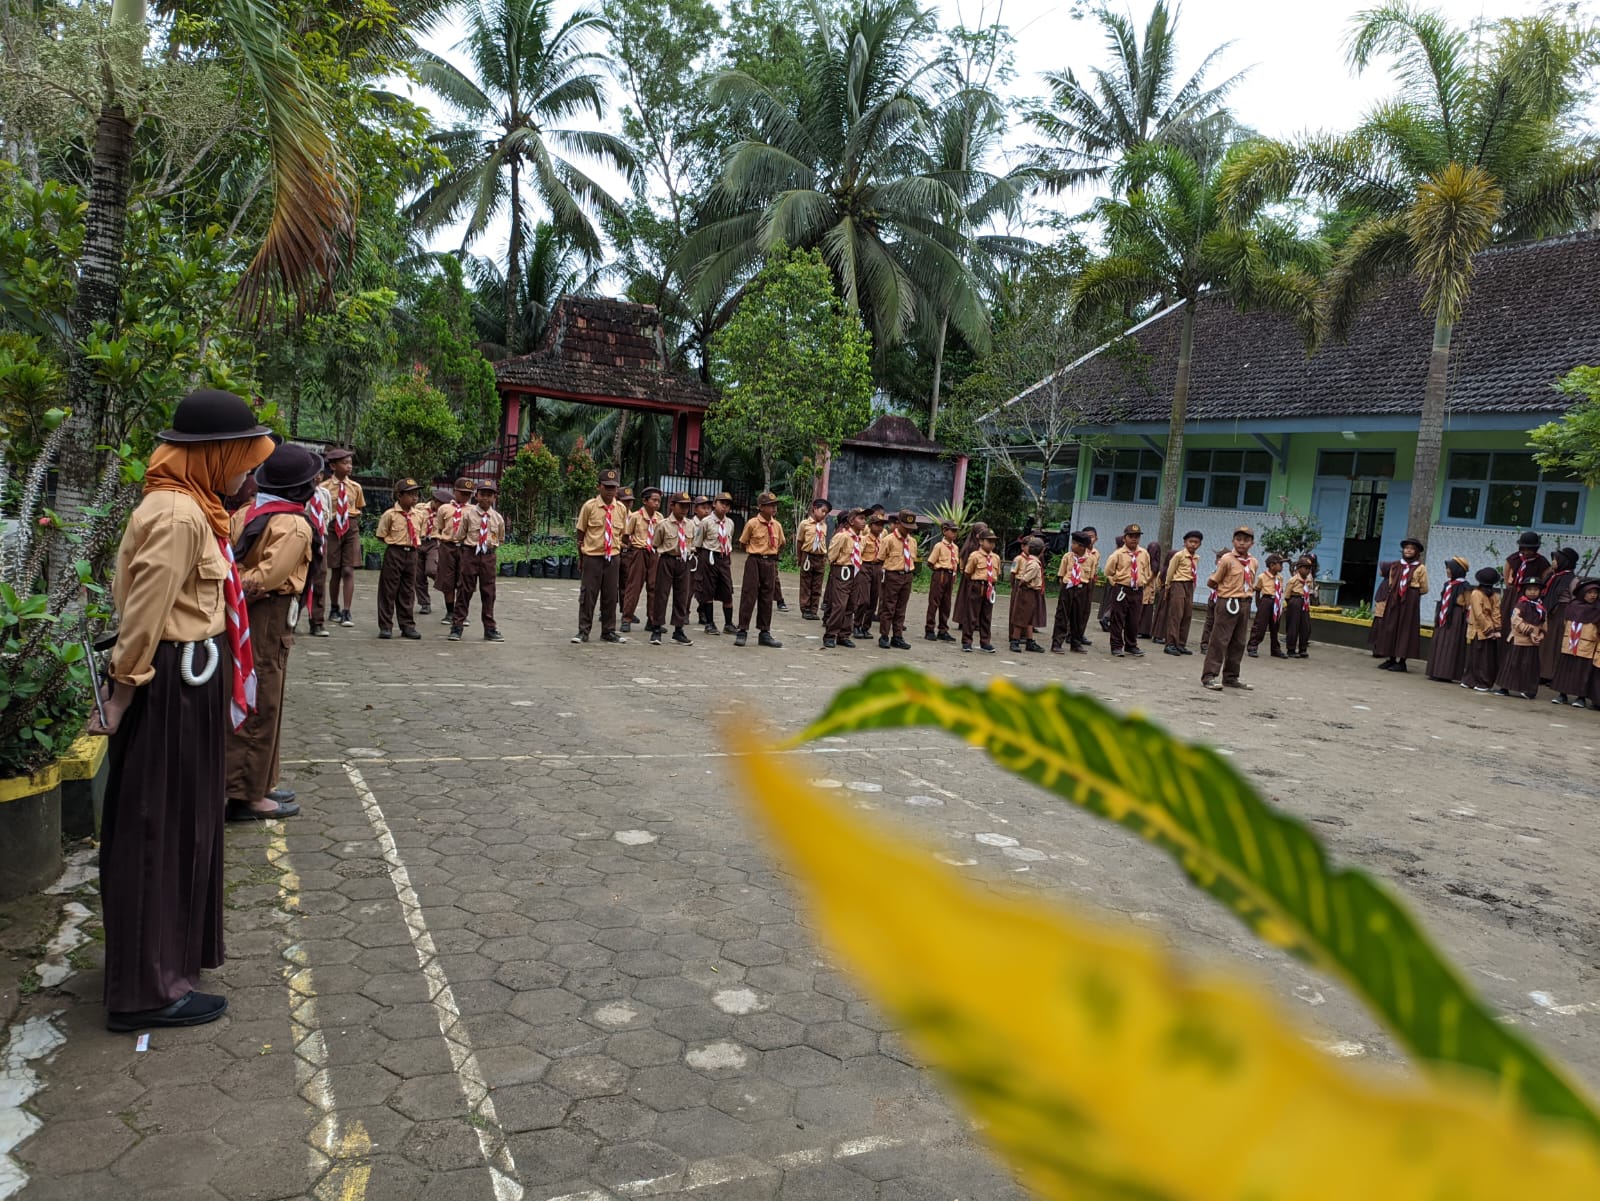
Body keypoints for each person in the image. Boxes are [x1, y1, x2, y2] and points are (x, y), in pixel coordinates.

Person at [90, 389, 274, 1031]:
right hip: (167, 685)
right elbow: (143, 615)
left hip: (186, 684)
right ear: (212, 454)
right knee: (156, 830)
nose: (246, 473)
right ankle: (145, 991)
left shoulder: (195, 507)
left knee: (179, 825)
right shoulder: (177, 515)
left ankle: (167, 962)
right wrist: (120, 694)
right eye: (240, 458)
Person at [225, 443, 319, 821]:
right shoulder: (294, 525)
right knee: (262, 697)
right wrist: (236, 587)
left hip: (244, 614)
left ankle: (260, 780)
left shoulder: (250, 511)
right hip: (267, 614)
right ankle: (246, 793)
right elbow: (268, 578)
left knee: (256, 692)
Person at [573, 468, 628, 643]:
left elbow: (623, 534)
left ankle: (608, 631)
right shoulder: (590, 506)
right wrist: (581, 557)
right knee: (588, 595)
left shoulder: (620, 508)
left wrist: (618, 549)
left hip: (613, 556)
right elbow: (581, 533)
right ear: (599, 487)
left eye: (614, 487)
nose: (611, 490)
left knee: (611, 595)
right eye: (607, 487)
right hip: (593, 556)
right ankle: (583, 631)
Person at [1201, 526, 1257, 691]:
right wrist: (1225, 595)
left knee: (1239, 642)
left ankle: (1231, 677)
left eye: (1246, 540)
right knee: (1220, 640)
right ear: (1233, 541)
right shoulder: (1226, 559)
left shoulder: (1253, 561)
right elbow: (1213, 581)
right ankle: (1209, 676)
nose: (1242, 543)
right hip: (1228, 602)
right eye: (1238, 539)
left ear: (1252, 543)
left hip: (1245, 603)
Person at [451, 481, 506, 642]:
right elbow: (460, 535)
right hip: (470, 554)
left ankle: (489, 628)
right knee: (464, 590)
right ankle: (457, 627)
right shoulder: (468, 515)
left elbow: (500, 539)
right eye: (483, 494)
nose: (485, 499)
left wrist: (489, 548)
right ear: (477, 496)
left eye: (489, 495)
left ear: (494, 498)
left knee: (489, 593)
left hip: (488, 556)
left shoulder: (497, 518)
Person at [375, 479, 425, 641]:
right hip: (395, 552)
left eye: (416, 494)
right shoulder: (390, 515)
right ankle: (386, 626)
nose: (414, 498)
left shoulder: (419, 515)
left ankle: (407, 625)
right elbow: (382, 535)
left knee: (408, 591)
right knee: (388, 590)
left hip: (412, 554)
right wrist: (395, 546)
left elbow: (421, 534)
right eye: (410, 494)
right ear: (399, 495)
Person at [320, 448, 364, 628]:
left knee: (348, 569)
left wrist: (349, 522)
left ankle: (347, 610)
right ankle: (334, 607)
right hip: (331, 527)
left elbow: (359, 507)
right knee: (336, 570)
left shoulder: (355, 487)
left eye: (350, 463)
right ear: (333, 466)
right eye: (345, 463)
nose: (349, 467)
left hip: (350, 527)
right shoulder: (323, 488)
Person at [735, 491, 785, 647]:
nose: (774, 508)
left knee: (767, 597)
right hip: (754, 561)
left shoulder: (777, 525)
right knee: (749, 595)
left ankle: (764, 632)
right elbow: (743, 542)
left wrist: (771, 556)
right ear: (761, 507)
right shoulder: (752, 523)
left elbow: (781, 543)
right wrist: (756, 551)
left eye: (775, 505)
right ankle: (742, 630)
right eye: (770, 506)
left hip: (770, 562)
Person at [1373, 537, 1429, 672]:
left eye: (1412, 549)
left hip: (1410, 601)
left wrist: (1411, 594)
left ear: (1416, 552)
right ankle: (1391, 658)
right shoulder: (1396, 565)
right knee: (1391, 626)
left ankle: (1402, 661)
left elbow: (1424, 588)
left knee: (1406, 629)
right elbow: (1391, 582)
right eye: (1406, 548)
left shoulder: (1420, 568)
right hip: (1394, 599)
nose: (1408, 551)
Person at [650, 491, 696, 645]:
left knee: (682, 595)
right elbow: (655, 544)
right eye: (681, 506)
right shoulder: (663, 524)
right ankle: (656, 628)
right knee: (661, 594)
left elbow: (692, 544)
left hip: (684, 561)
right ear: (672, 506)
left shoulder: (690, 525)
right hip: (667, 560)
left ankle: (678, 629)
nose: (684, 509)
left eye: (687, 506)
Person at [1102, 524, 1150, 657]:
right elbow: (1108, 572)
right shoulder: (1117, 554)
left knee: (1134, 619)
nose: (1134, 539)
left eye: (1137, 536)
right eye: (1131, 536)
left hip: (1137, 590)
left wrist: (1143, 581)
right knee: (1118, 618)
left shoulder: (1144, 553)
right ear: (1124, 538)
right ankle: (1116, 646)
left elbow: (1146, 570)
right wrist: (1115, 582)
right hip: (1122, 589)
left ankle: (1131, 645)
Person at [1550, 578, 1599, 708]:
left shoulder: (1597, 610)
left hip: (1586, 647)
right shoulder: (1571, 606)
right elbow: (1565, 623)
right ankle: (1562, 695)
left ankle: (1581, 697)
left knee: (1583, 673)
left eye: (1595, 592)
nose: (1593, 595)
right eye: (1590, 592)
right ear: (1582, 592)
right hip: (1569, 645)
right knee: (1565, 670)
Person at [1494, 578, 1546, 698]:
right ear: (1524, 590)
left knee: (1530, 666)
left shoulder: (1541, 608)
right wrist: (1530, 632)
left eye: (1536, 589)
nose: (1532, 592)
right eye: (1529, 589)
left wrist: (1541, 635)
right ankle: (1504, 687)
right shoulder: (1520, 605)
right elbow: (1516, 621)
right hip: (1519, 639)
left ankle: (1528, 690)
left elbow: (1544, 624)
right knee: (1512, 663)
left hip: (1533, 642)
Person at [823, 508, 867, 649]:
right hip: (842, 570)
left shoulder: (860, 538)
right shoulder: (842, 536)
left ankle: (844, 635)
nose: (864, 522)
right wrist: (837, 570)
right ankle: (830, 634)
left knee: (851, 605)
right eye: (860, 518)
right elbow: (832, 555)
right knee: (840, 605)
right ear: (851, 520)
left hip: (855, 571)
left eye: (864, 519)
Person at [433, 477, 475, 622]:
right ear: (454, 492)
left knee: (464, 581)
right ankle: (450, 612)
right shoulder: (444, 509)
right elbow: (438, 528)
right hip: (448, 547)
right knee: (447, 581)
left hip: (465, 548)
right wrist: (440, 542)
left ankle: (461, 613)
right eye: (462, 493)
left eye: (468, 494)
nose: (465, 497)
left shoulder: (474, 510)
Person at [1424, 557, 1472, 682]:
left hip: (1455, 617)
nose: (1447, 571)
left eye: (1449, 568)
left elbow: (1468, 604)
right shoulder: (1448, 584)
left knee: (1451, 643)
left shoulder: (1464, 586)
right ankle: (1435, 670)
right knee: (1440, 641)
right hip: (1443, 616)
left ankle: (1446, 673)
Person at [877, 509, 919, 650]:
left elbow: (912, 558)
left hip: (907, 576)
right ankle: (884, 636)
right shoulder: (888, 540)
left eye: (910, 528)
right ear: (898, 524)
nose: (908, 530)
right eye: (905, 527)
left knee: (901, 608)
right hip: (892, 576)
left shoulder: (912, 541)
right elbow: (880, 558)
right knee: (888, 606)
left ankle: (897, 636)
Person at [623, 487, 662, 635]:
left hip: (654, 553)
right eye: (654, 500)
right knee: (634, 586)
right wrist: (632, 548)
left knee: (653, 587)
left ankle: (652, 620)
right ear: (645, 501)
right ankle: (627, 619)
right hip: (639, 552)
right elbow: (626, 535)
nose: (657, 503)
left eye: (658, 500)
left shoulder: (659, 517)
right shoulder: (635, 516)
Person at [698, 492, 738, 635]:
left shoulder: (730, 523)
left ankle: (728, 623)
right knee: (708, 590)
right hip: (709, 556)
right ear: (714, 504)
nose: (724, 507)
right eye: (722, 503)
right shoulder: (706, 522)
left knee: (727, 590)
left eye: (727, 505)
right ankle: (709, 623)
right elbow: (699, 542)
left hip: (724, 557)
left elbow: (729, 540)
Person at [1051, 530, 1096, 654]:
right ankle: (1057, 643)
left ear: (1082, 546)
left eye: (1075, 543)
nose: (1072, 545)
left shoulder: (1091, 559)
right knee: (1062, 615)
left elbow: (1091, 577)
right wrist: (1065, 587)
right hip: (1068, 587)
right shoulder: (1067, 557)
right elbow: (1061, 575)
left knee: (1079, 617)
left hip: (1082, 588)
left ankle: (1076, 643)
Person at [1539, 547, 1579, 683]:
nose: (1553, 563)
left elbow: (1576, 597)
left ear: (1563, 562)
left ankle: (1553, 675)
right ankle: (1542, 672)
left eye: (1555, 560)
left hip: (1562, 612)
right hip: (1548, 612)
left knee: (1556, 642)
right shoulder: (1553, 575)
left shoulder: (1572, 579)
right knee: (1545, 642)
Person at [1460, 568, 1503, 692]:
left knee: (1480, 657)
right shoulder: (1491, 595)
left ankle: (1478, 681)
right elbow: (1492, 614)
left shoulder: (1477, 593)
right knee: (1482, 657)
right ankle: (1474, 681)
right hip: (1483, 630)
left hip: (1482, 630)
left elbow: (1482, 614)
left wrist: (1492, 629)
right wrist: (1494, 629)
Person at [1502, 530, 1550, 641]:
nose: (1527, 552)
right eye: (1524, 549)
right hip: (1513, 593)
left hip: (1530, 595)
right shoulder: (1514, 558)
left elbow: (1544, 579)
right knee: (1507, 619)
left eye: (1530, 549)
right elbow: (1507, 571)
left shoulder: (1542, 562)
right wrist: (1509, 588)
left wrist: (1535, 593)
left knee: (1525, 619)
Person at [1162, 531, 1203, 657]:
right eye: (1190, 542)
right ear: (1185, 542)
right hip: (1178, 584)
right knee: (1176, 614)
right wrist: (1168, 586)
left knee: (1187, 614)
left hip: (1189, 585)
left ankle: (1181, 643)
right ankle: (1170, 644)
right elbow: (1170, 571)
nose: (1193, 545)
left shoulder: (1196, 557)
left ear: (1200, 544)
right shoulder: (1179, 556)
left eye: (1196, 542)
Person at [960, 529, 1001, 654]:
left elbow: (997, 573)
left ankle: (985, 642)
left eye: (994, 542)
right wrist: (974, 585)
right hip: (977, 586)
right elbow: (968, 572)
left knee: (986, 616)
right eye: (989, 541)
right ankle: (967, 641)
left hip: (990, 587)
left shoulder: (996, 557)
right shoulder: (975, 556)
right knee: (971, 615)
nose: (992, 544)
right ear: (981, 541)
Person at [1008, 536, 1047, 653]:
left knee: (1030, 617)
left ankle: (1029, 640)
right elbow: (1022, 577)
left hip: (1032, 591)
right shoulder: (1031, 563)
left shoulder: (1032, 561)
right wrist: (1019, 585)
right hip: (1026, 591)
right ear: (1041, 551)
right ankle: (1015, 640)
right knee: (1021, 616)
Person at [304, 466, 330, 637]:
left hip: (321, 539)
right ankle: (291, 619)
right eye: (314, 473)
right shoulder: (300, 493)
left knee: (320, 580)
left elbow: (329, 516)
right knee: (300, 581)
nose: (318, 477)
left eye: (321, 473)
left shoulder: (325, 494)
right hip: (304, 540)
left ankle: (317, 622)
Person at [923, 521, 961, 642]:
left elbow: (956, 563)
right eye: (952, 531)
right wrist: (938, 572)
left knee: (946, 604)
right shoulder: (939, 546)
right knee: (934, 602)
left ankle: (943, 630)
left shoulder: (955, 547)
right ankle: (929, 629)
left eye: (956, 531)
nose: (955, 533)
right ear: (944, 531)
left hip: (950, 575)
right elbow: (930, 562)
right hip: (940, 574)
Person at [1246, 554, 1287, 659]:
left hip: (1276, 602)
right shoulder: (1262, 576)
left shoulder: (1280, 578)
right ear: (1272, 565)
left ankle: (1275, 649)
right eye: (1280, 564)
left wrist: (1281, 604)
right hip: (1266, 601)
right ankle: (1252, 647)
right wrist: (1259, 603)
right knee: (1260, 625)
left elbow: (1280, 592)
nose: (1282, 567)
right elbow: (1258, 590)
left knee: (1275, 627)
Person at [797, 498, 832, 620]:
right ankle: (805, 608)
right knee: (806, 583)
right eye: (822, 511)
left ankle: (813, 609)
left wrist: (825, 558)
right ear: (814, 509)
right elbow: (800, 542)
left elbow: (823, 543)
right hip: (808, 556)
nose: (824, 514)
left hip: (820, 558)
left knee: (817, 585)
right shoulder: (804, 524)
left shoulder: (824, 526)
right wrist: (800, 558)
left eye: (826, 513)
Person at [854, 510, 887, 638]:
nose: (879, 528)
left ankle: (865, 627)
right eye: (877, 525)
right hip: (865, 567)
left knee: (874, 599)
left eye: (881, 525)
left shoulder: (882, 541)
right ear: (870, 525)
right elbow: (859, 554)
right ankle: (856, 624)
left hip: (878, 568)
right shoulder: (864, 539)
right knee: (864, 599)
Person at [416, 488, 445, 616]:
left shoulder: (444, 513)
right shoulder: (420, 508)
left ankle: (446, 585)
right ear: (435, 501)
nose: (442, 507)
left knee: (431, 570)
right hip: (419, 542)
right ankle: (425, 603)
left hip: (433, 543)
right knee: (418, 575)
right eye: (441, 504)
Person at [1282, 555, 1318, 660]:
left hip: (1305, 602)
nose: (1307, 570)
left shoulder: (1308, 580)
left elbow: (1309, 591)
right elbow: (1287, 595)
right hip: (1295, 600)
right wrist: (1290, 605)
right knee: (1293, 626)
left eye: (1309, 568)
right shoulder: (1293, 580)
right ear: (1298, 568)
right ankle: (1291, 649)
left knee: (1305, 626)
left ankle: (1303, 648)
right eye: (1305, 568)